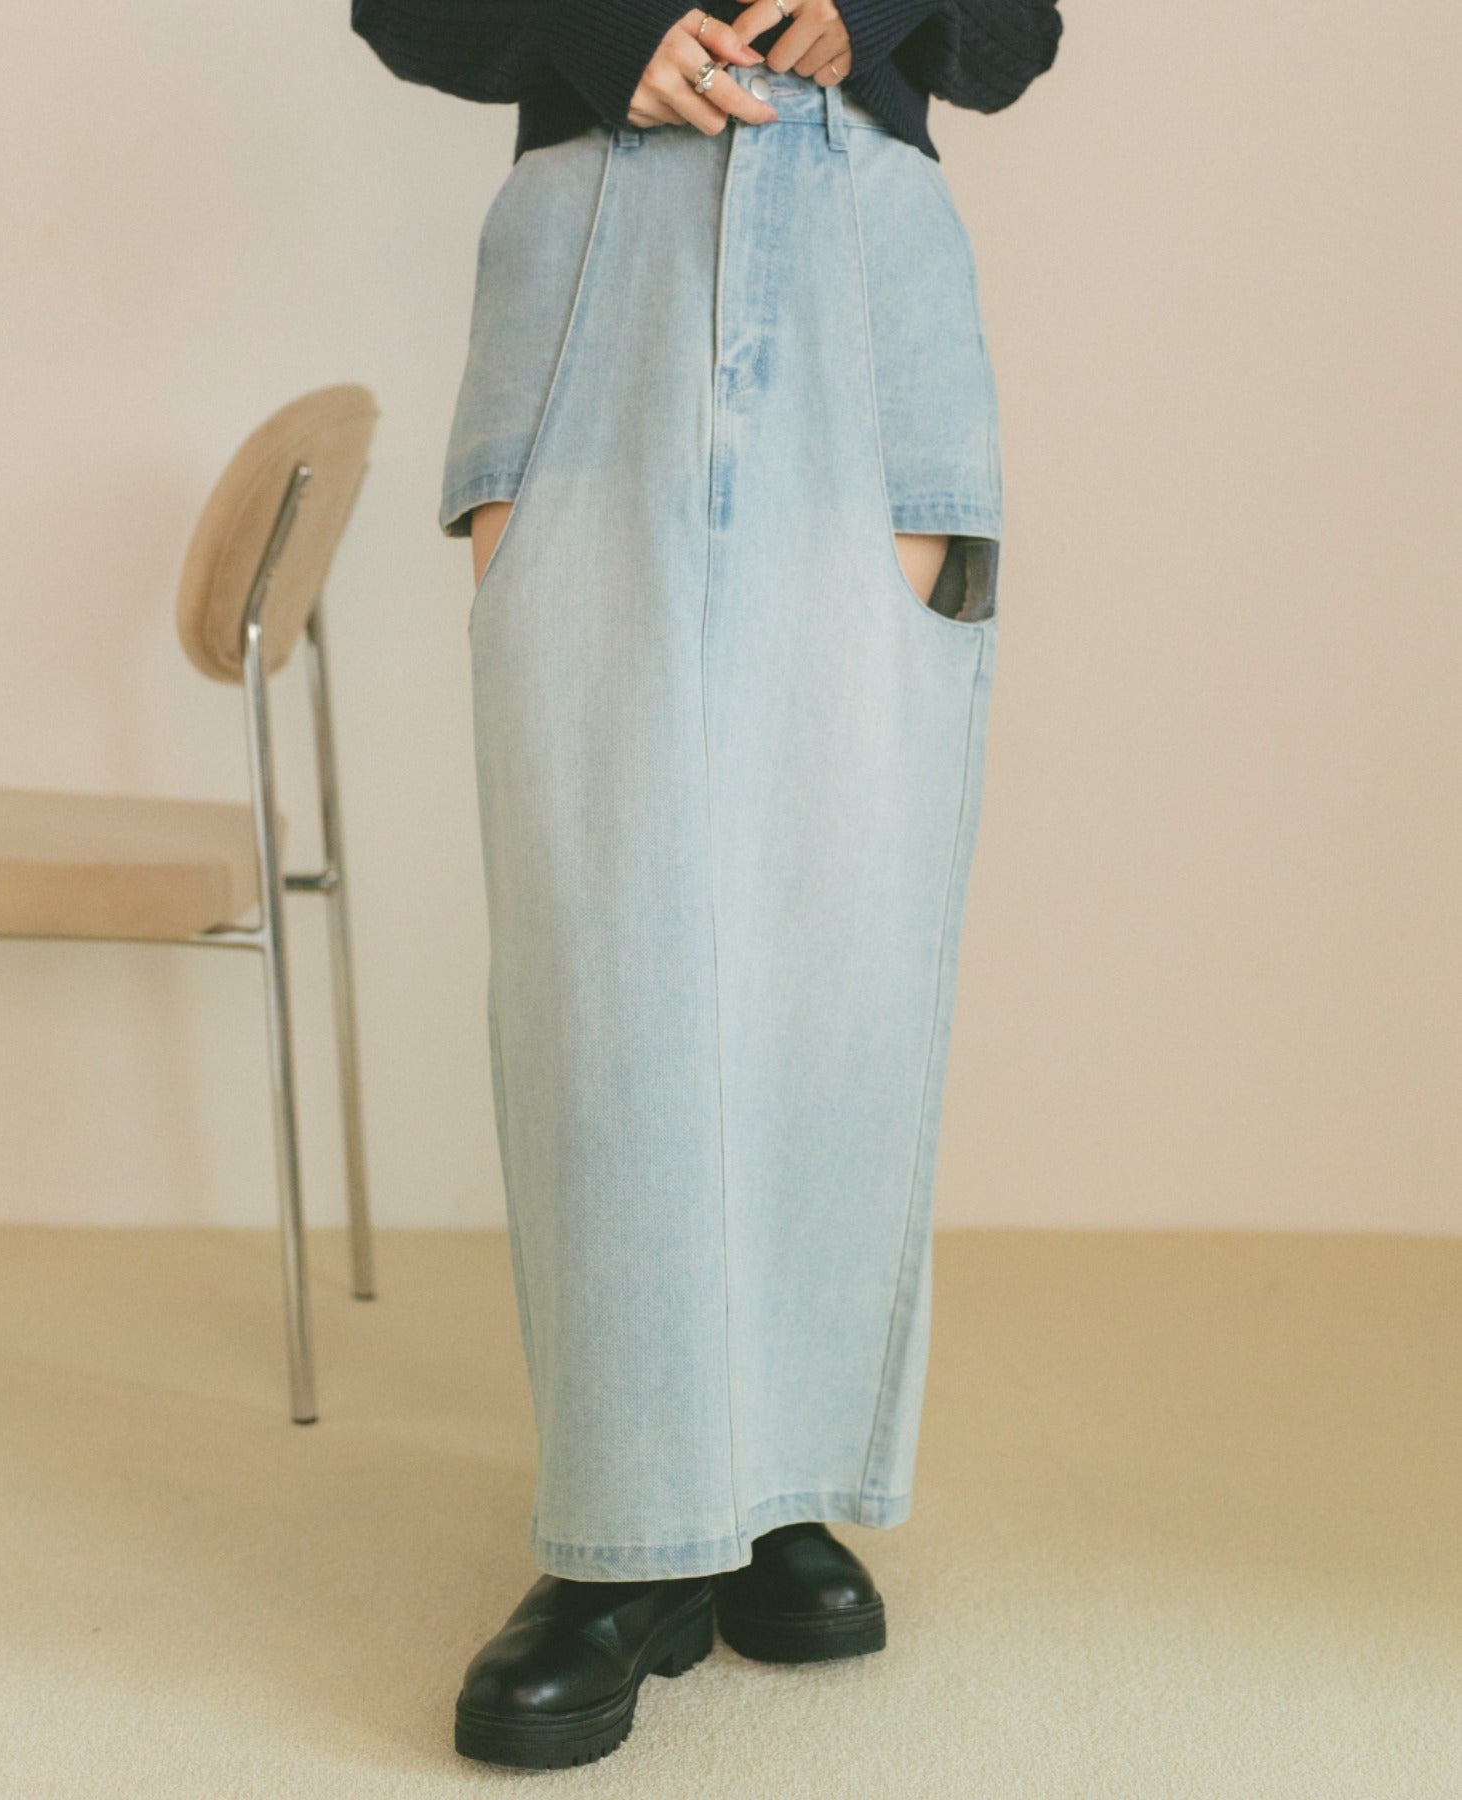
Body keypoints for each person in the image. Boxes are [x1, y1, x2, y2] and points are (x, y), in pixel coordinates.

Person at [352, 0, 1063, 1769]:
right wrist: (600, 29)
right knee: (610, 940)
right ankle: (626, 1540)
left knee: (841, 923)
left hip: (869, 256)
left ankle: (776, 1488)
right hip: (597, 227)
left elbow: (1012, 36)